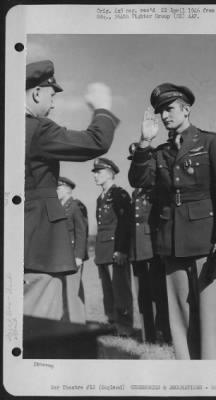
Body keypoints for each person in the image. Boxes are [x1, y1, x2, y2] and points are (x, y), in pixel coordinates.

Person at [128, 83, 216, 359]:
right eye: (160, 112)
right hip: (171, 242)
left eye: (169, 109)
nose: (165, 116)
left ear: (186, 109)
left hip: (205, 240)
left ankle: (211, 377)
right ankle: (187, 374)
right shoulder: (159, 152)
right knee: (180, 315)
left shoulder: (211, 142)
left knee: (209, 316)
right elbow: (138, 180)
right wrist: (144, 143)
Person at [24, 59, 119, 320]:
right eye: (51, 95)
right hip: (39, 244)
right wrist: (102, 108)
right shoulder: (37, 129)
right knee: (37, 320)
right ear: (36, 93)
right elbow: (95, 141)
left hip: (19, 237)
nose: (53, 103)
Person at [128, 144, 171, 344]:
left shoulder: (156, 189)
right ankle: (149, 335)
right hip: (138, 249)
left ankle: (166, 332)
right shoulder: (135, 193)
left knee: (160, 294)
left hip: (153, 248)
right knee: (143, 295)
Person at [92, 157, 133, 336]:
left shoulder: (119, 194)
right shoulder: (100, 198)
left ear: (110, 174)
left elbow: (125, 222)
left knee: (120, 288)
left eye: (99, 172)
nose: (95, 176)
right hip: (103, 250)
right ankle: (112, 320)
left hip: (115, 249)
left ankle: (124, 325)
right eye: (95, 172)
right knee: (107, 289)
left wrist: (122, 249)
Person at [57, 176, 89, 323]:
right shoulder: (59, 207)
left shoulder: (76, 206)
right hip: (61, 256)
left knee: (73, 290)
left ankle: (77, 322)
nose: (55, 191)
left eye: (58, 187)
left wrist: (78, 256)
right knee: (62, 291)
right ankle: (66, 321)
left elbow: (82, 231)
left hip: (72, 256)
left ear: (66, 189)